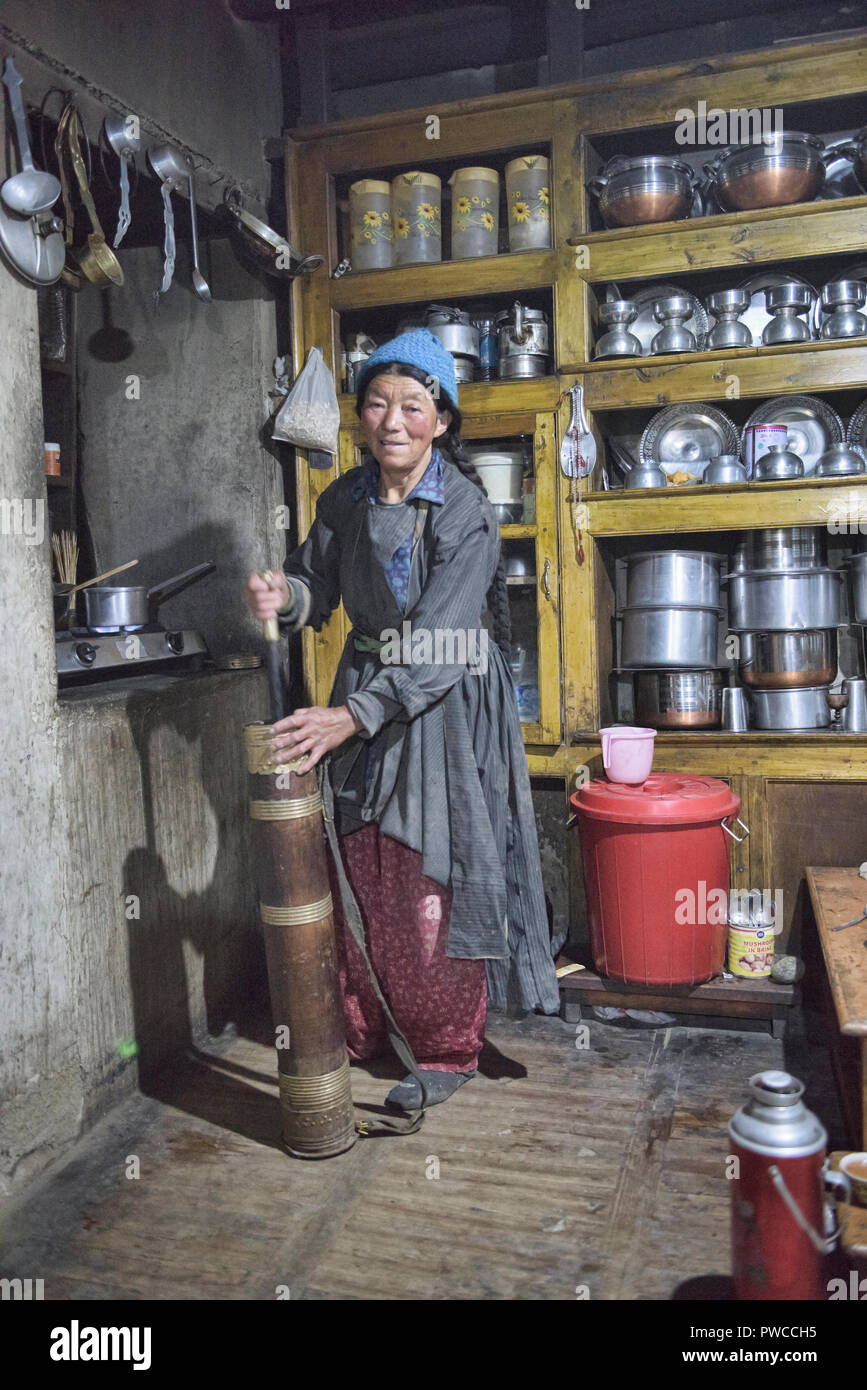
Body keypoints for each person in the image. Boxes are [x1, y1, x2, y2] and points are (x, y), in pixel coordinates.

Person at [245, 329, 559, 1110]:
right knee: (362, 858)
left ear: (440, 421)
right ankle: (368, 1028)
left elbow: (447, 640)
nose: (392, 420)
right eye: (378, 403)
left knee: (432, 873)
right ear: (360, 417)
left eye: (411, 406)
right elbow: (314, 583)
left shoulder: (464, 511)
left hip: (439, 697)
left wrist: (354, 714)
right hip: (362, 688)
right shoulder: (346, 498)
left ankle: (445, 1049)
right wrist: (286, 598)